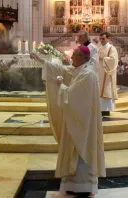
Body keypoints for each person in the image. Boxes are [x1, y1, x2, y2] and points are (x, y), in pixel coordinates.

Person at [30, 46, 106, 197]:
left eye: (74, 55)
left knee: (81, 152)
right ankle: (72, 185)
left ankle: (83, 187)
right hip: (75, 122)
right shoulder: (78, 70)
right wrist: (40, 60)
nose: (71, 58)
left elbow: (75, 96)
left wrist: (61, 86)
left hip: (84, 125)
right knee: (73, 151)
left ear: (82, 57)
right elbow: (60, 70)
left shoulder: (88, 74)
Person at [98, 32, 119, 117]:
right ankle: (101, 109)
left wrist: (103, 59)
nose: (101, 40)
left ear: (108, 38)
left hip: (107, 74)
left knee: (107, 90)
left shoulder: (112, 48)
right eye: (101, 39)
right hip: (100, 74)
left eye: (103, 38)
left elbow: (113, 60)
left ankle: (106, 110)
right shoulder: (99, 49)